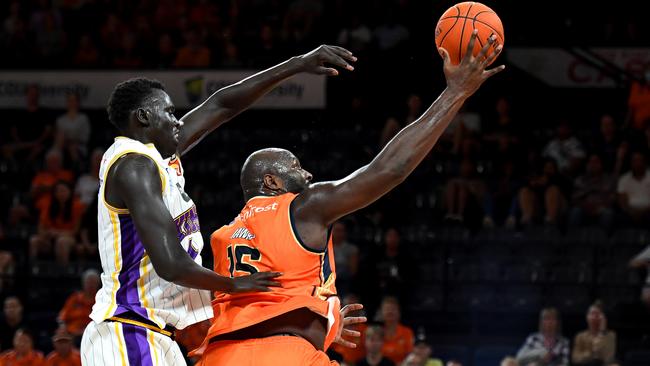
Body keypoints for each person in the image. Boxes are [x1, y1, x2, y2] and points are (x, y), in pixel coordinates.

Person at [198, 31, 504, 365]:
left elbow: (262, 304)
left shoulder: (222, 235)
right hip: (285, 355)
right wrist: (455, 93)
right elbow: (390, 169)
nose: (307, 175)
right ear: (271, 181)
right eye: (296, 167)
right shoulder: (303, 207)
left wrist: (323, 322)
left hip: (220, 356)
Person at [80, 44, 357, 366]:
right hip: (128, 331)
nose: (178, 121)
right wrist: (232, 284)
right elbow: (171, 264)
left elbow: (222, 105)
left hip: (157, 336)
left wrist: (296, 65)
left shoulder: (159, 161)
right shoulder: (134, 165)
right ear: (143, 117)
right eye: (169, 113)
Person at [58, 269, 101, 340]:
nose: (91, 285)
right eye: (89, 282)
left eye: (93, 282)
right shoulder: (74, 298)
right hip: (72, 335)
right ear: (83, 283)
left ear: (98, 284)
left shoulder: (101, 300)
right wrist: (63, 329)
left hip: (93, 336)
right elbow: (62, 318)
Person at [571, 301, 616, 366]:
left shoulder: (611, 335)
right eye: (592, 313)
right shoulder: (580, 336)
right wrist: (591, 352)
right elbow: (575, 358)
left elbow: (608, 357)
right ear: (587, 317)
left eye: (598, 314)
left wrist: (602, 332)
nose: (595, 317)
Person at [379, 296, 415, 365]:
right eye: (387, 309)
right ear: (381, 313)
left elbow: (411, 356)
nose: (390, 311)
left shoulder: (407, 332)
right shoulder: (377, 332)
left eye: (393, 309)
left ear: (399, 313)